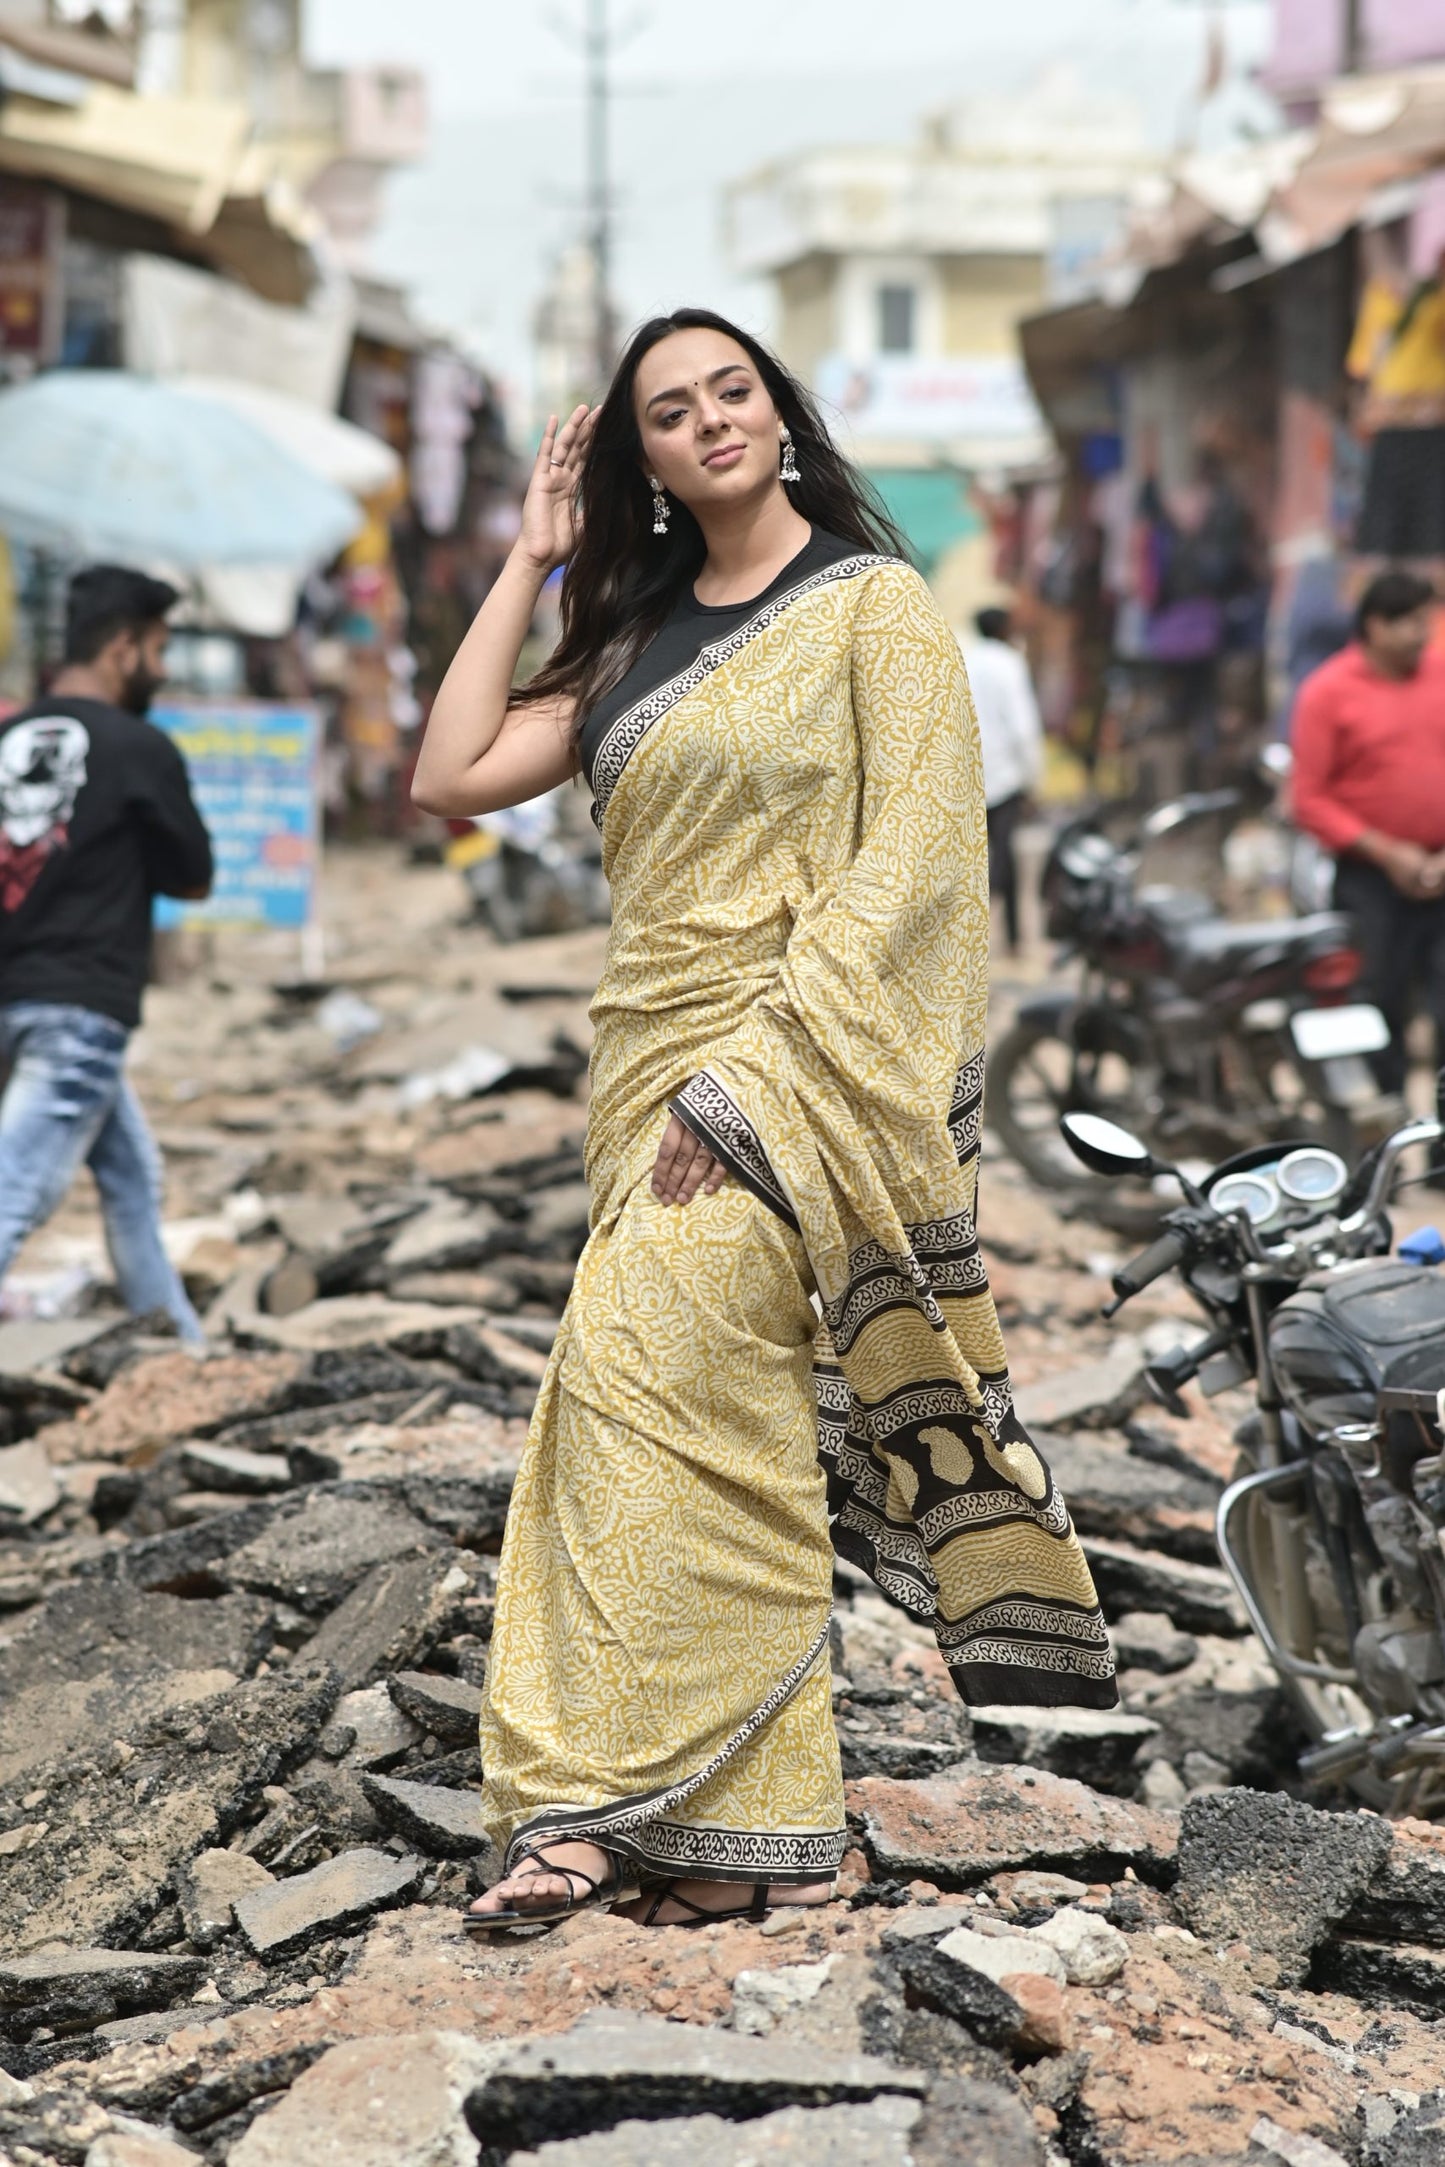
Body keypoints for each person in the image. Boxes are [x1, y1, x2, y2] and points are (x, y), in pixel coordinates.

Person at [413, 308, 1115, 1935]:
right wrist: (529, 556)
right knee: (723, 1438)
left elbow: (924, 858)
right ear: (643, 462)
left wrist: (758, 1080)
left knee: (615, 1388)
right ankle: (744, 1826)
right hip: (640, 1069)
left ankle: (582, 1810)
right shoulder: (627, 636)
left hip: (783, 1074)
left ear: (780, 414)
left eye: (733, 390)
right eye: (672, 410)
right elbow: (451, 771)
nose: (710, 420)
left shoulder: (877, 608)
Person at [0, 565, 213, 1340]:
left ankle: (177, 1348)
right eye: (156, 649)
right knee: (13, 1194)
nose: (159, 668)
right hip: (79, 1006)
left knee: (128, 1174)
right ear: (124, 648)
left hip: (12, 996)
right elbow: (193, 876)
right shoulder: (138, 746)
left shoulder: (5, 735)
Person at [1291, 569, 1445, 1096]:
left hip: (1442, 871)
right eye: (1408, 623)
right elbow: (1308, 798)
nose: (1421, 634)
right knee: (1380, 1008)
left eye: (1426, 621)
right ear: (1374, 626)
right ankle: (1387, 1146)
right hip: (1370, 879)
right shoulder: (1327, 693)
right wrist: (1389, 853)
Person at [959, 605, 1044, 953]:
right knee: (1005, 854)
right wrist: (1032, 777)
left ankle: (969, 937)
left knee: (972, 858)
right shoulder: (1010, 663)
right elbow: (1023, 726)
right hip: (1005, 774)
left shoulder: (967, 659)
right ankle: (1013, 937)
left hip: (968, 771)